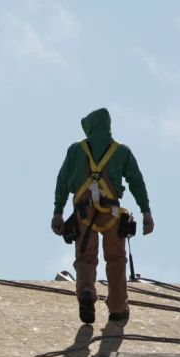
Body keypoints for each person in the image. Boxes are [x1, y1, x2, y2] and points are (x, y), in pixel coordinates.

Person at [52, 108, 154, 324]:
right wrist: (146, 213)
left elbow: (62, 181)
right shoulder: (121, 151)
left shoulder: (75, 150)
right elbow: (137, 182)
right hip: (112, 213)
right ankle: (117, 308)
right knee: (116, 259)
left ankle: (87, 292)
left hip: (83, 211)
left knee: (86, 258)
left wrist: (58, 213)